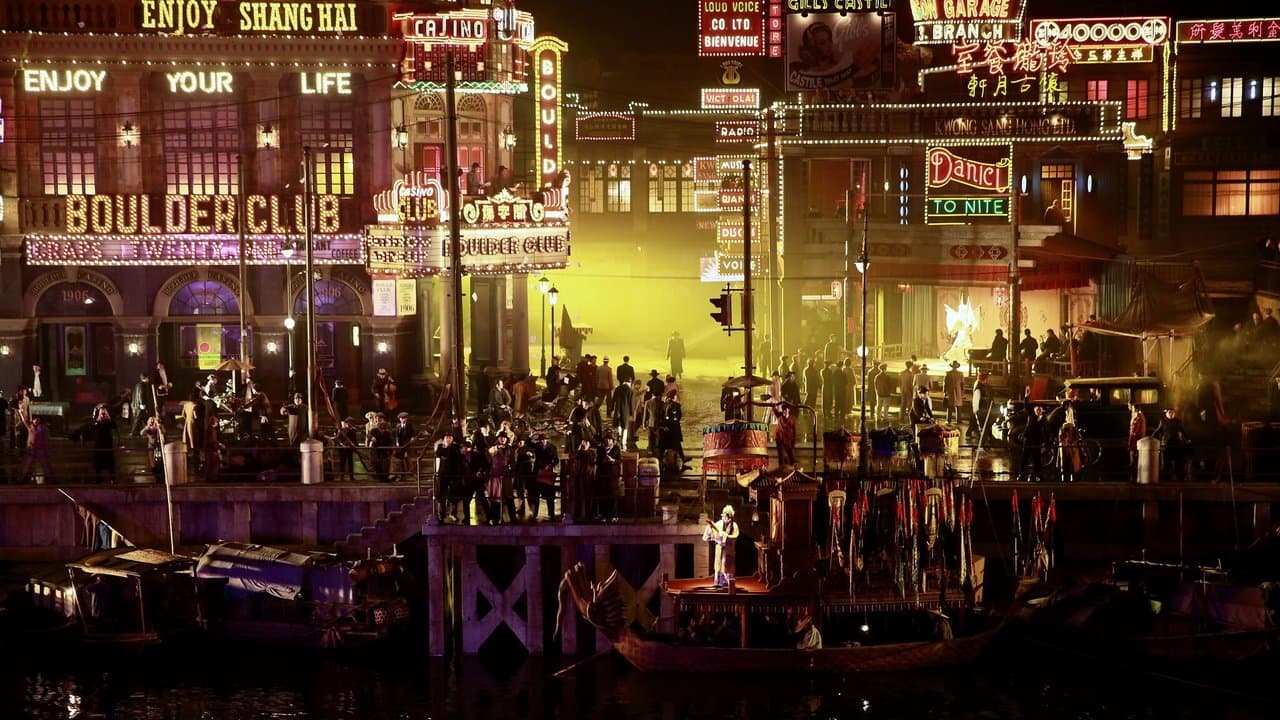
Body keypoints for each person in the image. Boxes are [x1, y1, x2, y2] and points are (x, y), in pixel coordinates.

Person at [702, 505, 740, 588]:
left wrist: (725, 536)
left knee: (727, 565)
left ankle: (728, 583)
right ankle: (719, 582)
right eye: (724, 516)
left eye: (728, 516)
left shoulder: (734, 525)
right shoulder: (719, 523)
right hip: (719, 547)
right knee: (718, 565)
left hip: (729, 549)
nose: (726, 518)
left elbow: (735, 536)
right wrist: (711, 527)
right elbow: (713, 533)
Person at [1153, 408, 1190, 482]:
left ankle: (1180, 478)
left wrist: (1188, 439)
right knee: (1166, 463)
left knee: (1178, 463)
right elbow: (1158, 431)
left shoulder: (1178, 421)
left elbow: (1183, 430)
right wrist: (1152, 437)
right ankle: (1166, 478)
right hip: (1166, 445)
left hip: (1176, 445)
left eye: (1173, 412)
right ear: (1166, 414)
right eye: (1169, 412)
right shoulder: (1163, 421)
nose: (1171, 414)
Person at [89, 406, 118, 483]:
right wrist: (98, 420)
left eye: (104, 413)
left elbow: (114, 426)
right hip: (99, 444)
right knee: (98, 463)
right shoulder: (97, 422)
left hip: (107, 444)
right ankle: (98, 479)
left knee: (110, 462)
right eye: (101, 413)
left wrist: (108, 418)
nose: (103, 414)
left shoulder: (109, 422)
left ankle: (112, 479)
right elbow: (93, 427)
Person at [1019, 404, 1047, 482]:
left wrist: (1045, 442)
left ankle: (1038, 475)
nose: (1038, 411)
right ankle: (1022, 474)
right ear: (1034, 410)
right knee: (1024, 458)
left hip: (1037, 441)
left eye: (1040, 410)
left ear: (1042, 411)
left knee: (1037, 459)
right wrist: (1026, 398)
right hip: (1028, 440)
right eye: (1037, 410)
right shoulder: (1031, 416)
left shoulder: (1044, 419)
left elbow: (1045, 430)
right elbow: (1027, 407)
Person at [1127, 402, 1147, 481]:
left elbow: (1137, 428)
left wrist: (1134, 433)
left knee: (1133, 454)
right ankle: (1134, 471)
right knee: (1134, 454)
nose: (1131, 409)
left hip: (1135, 438)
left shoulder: (1138, 416)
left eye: (1132, 408)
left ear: (1135, 408)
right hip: (1135, 438)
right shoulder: (1137, 415)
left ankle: (1133, 473)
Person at [335, 416, 359, 481]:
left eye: (352, 422)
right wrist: (341, 444)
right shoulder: (342, 430)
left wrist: (356, 446)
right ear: (346, 423)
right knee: (343, 462)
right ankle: (342, 476)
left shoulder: (353, 430)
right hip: (343, 449)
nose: (351, 424)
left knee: (350, 462)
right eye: (349, 422)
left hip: (350, 448)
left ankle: (351, 476)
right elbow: (337, 438)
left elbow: (354, 439)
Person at [775, 402, 797, 467]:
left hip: (788, 440)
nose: (784, 411)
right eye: (783, 410)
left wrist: (793, 442)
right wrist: (773, 405)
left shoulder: (792, 418)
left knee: (791, 456)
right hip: (780, 439)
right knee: (781, 457)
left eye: (786, 410)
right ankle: (781, 469)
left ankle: (793, 469)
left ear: (788, 410)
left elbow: (794, 431)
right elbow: (775, 411)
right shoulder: (780, 416)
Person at [943, 361, 965, 425]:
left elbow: (945, 383)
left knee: (950, 406)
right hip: (958, 391)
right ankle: (958, 420)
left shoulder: (948, 373)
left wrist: (944, 392)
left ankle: (948, 420)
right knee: (958, 406)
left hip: (950, 391)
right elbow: (962, 384)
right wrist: (962, 392)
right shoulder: (960, 373)